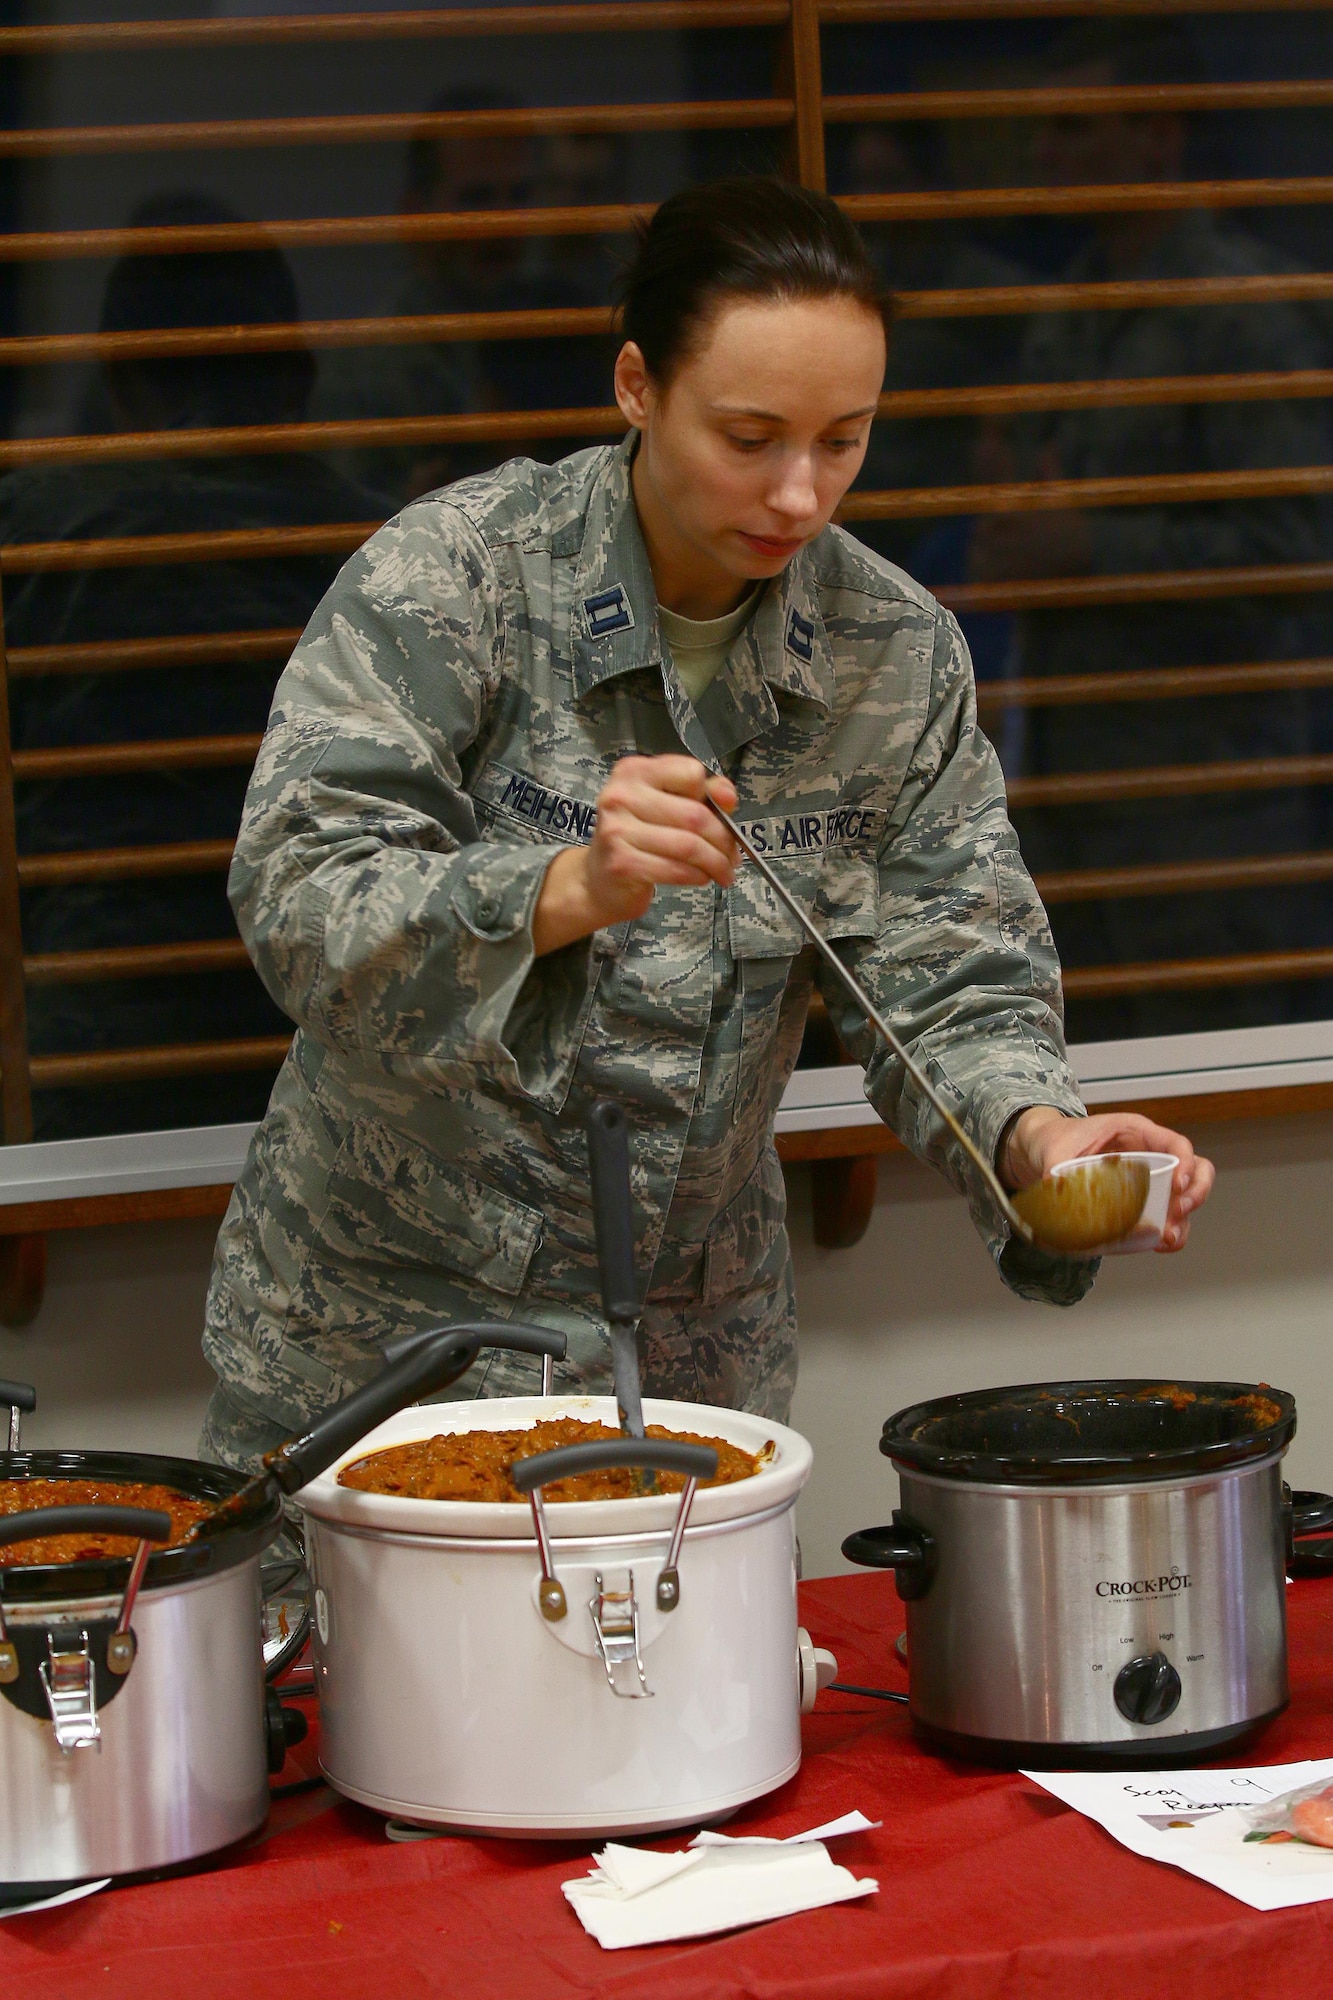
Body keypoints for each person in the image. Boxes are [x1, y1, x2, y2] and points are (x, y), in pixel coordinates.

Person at [199, 176, 1214, 1472]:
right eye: (749, 437)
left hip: (684, 1360)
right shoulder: (458, 579)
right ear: (637, 386)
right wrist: (555, 889)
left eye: (843, 439)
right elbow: (298, 895)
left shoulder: (888, 652)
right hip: (387, 1341)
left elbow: (951, 974)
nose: (798, 494)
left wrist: (1037, 1134)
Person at [967, 26, 1333, 1036]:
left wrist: (1090, 549)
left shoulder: (1241, 318)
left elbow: (1298, 553)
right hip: (1075, 777)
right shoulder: (1066, 310)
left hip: (1205, 807)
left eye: (1071, 129)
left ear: (1158, 138)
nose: (1044, 156)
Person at [4, 192, 386, 1140]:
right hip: (333, 1058)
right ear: (297, 379)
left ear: (116, 381)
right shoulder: (386, 559)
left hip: (84, 1053)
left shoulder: (30, 536)